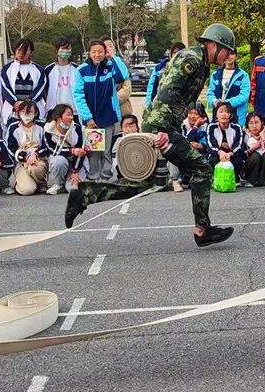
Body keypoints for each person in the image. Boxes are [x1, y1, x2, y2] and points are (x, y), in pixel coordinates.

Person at [66, 23, 236, 248]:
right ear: (213, 45)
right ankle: (202, 229)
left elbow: (178, 94)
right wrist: (163, 130)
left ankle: (85, 194)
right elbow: (168, 90)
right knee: (201, 169)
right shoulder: (192, 59)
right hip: (161, 125)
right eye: (225, 50)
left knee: (148, 183)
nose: (227, 56)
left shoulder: (200, 62)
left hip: (164, 124)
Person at [73, 40, 127, 181]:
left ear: (104, 53)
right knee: (95, 150)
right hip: (92, 118)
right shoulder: (82, 70)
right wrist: (88, 117)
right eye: (94, 52)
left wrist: (112, 58)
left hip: (108, 114)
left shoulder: (110, 66)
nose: (97, 54)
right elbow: (78, 95)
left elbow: (122, 77)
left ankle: (106, 176)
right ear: (89, 53)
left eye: (100, 52)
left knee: (106, 150)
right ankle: (94, 176)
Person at [0, 38, 47, 124]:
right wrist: (15, 103)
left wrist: (28, 102)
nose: (21, 53)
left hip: (33, 111)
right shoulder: (7, 69)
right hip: (13, 112)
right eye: (18, 50)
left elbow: (40, 89)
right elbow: (5, 87)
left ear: (31, 52)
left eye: (25, 51)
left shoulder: (39, 70)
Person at [44, 103, 88, 194]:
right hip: (60, 160)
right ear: (58, 117)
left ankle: (70, 181)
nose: (71, 117)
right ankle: (58, 184)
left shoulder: (76, 128)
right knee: (58, 160)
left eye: (72, 115)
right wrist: (71, 151)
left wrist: (75, 171)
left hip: (76, 162)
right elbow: (52, 150)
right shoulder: (48, 129)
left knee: (72, 189)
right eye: (68, 115)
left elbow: (81, 151)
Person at [6, 100, 48, 196]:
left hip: (39, 159)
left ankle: (41, 182)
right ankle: (22, 181)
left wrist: (36, 154)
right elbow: (9, 148)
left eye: (30, 112)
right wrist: (25, 157)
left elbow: (48, 145)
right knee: (27, 190)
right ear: (18, 113)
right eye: (23, 112)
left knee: (35, 169)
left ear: (36, 113)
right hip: (21, 162)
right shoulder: (13, 127)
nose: (26, 114)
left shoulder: (42, 126)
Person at [207, 50, 251, 127]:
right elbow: (210, 94)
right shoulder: (215, 74)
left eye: (232, 54)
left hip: (236, 116)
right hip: (218, 116)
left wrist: (227, 103)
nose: (229, 56)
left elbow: (244, 95)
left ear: (236, 56)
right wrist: (216, 102)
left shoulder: (243, 75)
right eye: (226, 54)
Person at [206, 102, 245, 181]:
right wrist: (220, 152)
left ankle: (235, 178)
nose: (224, 114)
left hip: (232, 153)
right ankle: (217, 178)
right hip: (217, 153)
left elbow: (239, 144)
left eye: (227, 112)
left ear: (230, 115)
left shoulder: (236, 127)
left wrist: (230, 153)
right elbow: (211, 144)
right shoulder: (211, 127)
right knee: (212, 160)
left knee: (238, 160)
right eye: (221, 112)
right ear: (216, 115)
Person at [44, 38, 80, 114]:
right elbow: (45, 90)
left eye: (68, 48)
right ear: (57, 50)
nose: (66, 51)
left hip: (74, 111)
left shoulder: (77, 69)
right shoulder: (48, 70)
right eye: (63, 48)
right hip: (54, 111)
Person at [102, 36, 134, 120]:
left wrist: (112, 101)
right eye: (105, 46)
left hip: (122, 112)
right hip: (103, 113)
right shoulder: (98, 65)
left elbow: (125, 81)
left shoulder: (119, 63)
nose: (108, 48)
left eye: (110, 45)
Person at [146, 42, 186, 107]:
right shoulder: (159, 68)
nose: (176, 55)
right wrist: (149, 105)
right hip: (159, 105)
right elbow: (151, 87)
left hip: (179, 107)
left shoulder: (187, 69)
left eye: (179, 53)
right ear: (171, 53)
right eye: (174, 52)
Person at [243, 113, 265, 187]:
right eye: (251, 123)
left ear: (262, 123)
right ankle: (251, 180)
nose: (254, 126)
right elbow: (241, 154)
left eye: (257, 122)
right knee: (255, 156)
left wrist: (264, 141)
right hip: (250, 163)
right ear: (247, 124)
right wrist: (251, 149)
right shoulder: (244, 135)